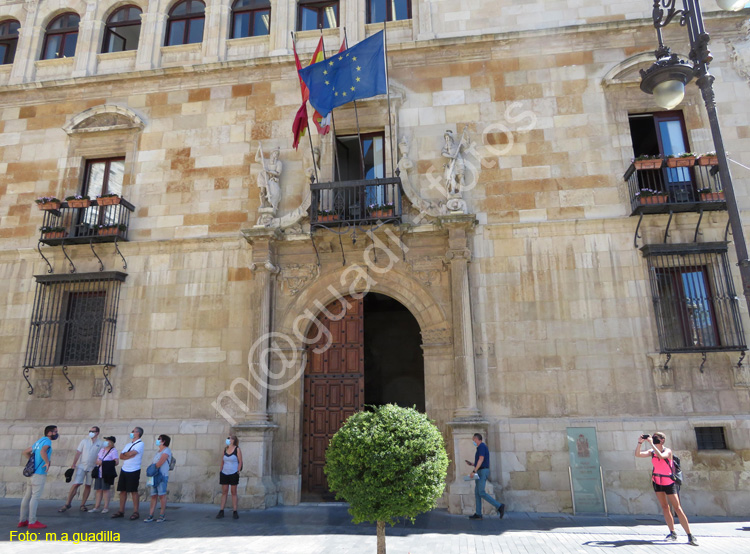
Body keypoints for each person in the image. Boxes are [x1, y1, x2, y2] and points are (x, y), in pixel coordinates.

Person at [635, 432, 698, 546]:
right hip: (657, 481)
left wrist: (651, 444)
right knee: (665, 507)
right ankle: (672, 532)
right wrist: (640, 442)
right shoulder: (652, 452)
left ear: (662, 440)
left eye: (656, 438)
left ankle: (689, 535)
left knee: (677, 508)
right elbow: (638, 454)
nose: (654, 439)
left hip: (669, 482)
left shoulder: (667, 451)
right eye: (653, 437)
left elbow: (661, 456)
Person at [59, 425, 105, 512]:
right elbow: (78, 452)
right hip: (82, 466)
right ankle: (67, 503)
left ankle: (83, 504)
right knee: (76, 483)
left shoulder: (101, 443)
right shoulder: (84, 441)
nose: (91, 433)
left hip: (92, 467)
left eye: (93, 431)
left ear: (97, 433)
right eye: (90, 431)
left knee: (88, 485)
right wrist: (73, 463)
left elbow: (101, 455)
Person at [19, 425, 57, 529]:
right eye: (55, 432)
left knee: (27, 496)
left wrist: (32, 461)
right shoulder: (47, 441)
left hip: (31, 472)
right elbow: (43, 451)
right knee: (35, 497)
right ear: (49, 433)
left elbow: (25, 452)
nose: (56, 434)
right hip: (39, 473)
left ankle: (22, 520)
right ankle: (32, 521)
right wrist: (47, 462)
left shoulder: (39, 441)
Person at [465, 433, 505, 520]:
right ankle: (478, 514)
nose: (473, 442)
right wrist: (472, 464)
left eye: (474, 440)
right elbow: (481, 462)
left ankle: (499, 506)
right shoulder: (480, 448)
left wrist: (474, 471)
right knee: (477, 493)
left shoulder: (482, 446)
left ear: (477, 439)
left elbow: (481, 459)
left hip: (482, 471)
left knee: (481, 492)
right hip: (480, 471)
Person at [112, 426, 144, 520]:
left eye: (133, 431)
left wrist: (128, 454)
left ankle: (136, 512)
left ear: (138, 433)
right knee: (122, 491)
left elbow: (132, 453)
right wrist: (128, 455)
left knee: (133, 491)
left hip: (134, 469)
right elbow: (121, 456)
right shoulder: (128, 444)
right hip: (125, 469)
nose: (132, 433)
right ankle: (121, 511)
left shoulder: (140, 444)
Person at [144, 434, 172, 523]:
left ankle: (162, 515)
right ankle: (150, 514)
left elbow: (160, 462)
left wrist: (151, 469)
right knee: (153, 495)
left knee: (162, 495)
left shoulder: (166, 451)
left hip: (162, 476)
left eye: (159, 439)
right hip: (154, 476)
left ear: (163, 441)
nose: (157, 440)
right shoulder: (158, 452)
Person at [217, 435, 243, 520]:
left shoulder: (237, 449)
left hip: (233, 473)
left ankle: (235, 511)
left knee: (233, 491)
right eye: (228, 438)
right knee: (224, 491)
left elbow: (240, 461)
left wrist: (238, 471)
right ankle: (221, 510)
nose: (228, 440)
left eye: (230, 438)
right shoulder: (225, 449)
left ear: (233, 440)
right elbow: (222, 461)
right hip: (225, 472)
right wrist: (221, 470)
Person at [91, 436, 118, 513]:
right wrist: (97, 461)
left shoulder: (113, 451)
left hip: (107, 472)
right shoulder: (102, 450)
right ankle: (97, 506)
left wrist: (104, 463)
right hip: (99, 471)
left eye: (107, 441)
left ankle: (106, 507)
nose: (106, 442)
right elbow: (97, 458)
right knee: (98, 489)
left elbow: (116, 462)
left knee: (105, 489)